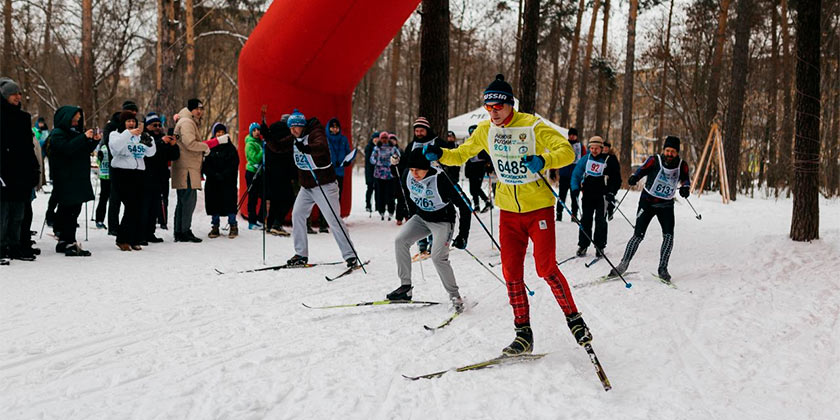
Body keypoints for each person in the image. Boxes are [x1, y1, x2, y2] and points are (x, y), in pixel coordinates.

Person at [422, 74, 591, 355]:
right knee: (511, 273)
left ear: (509, 104)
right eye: (488, 107)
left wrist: (544, 160)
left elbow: (567, 153)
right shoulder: (486, 130)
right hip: (509, 212)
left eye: (497, 106)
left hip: (538, 208)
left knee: (545, 268)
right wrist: (439, 153)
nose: (493, 112)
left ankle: (575, 320)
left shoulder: (532, 125)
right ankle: (523, 333)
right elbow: (461, 154)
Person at [387, 148, 471, 310]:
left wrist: (463, 234)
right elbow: (401, 186)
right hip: (422, 218)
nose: (415, 174)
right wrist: (394, 168)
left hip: (443, 221)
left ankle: (455, 296)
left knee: (438, 256)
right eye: (412, 169)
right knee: (400, 240)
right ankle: (405, 288)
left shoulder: (441, 180)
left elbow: (465, 206)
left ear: (428, 167)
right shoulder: (408, 175)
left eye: (418, 169)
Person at [281, 109, 359, 268]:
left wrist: (307, 149)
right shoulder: (295, 137)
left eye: (296, 127)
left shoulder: (315, 133)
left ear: (303, 126)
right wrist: (267, 136)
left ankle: (350, 255)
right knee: (298, 215)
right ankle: (301, 254)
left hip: (325, 185)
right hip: (307, 186)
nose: (293, 130)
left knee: (333, 220)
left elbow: (321, 147)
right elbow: (278, 146)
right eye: (291, 127)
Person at [609, 136, 691, 281]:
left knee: (668, 236)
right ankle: (623, 264)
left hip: (666, 205)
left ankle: (663, 268)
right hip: (647, 202)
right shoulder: (655, 160)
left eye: (672, 152)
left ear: (677, 153)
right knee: (638, 235)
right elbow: (642, 170)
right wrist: (634, 177)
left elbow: (685, 179)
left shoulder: (682, 165)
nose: (669, 154)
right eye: (667, 150)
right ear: (664, 150)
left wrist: (685, 188)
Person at [48, 105, 100, 256]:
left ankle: (64, 240)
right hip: (66, 178)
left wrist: (93, 141)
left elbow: (81, 149)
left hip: (76, 177)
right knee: (69, 211)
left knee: (72, 210)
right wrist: (84, 137)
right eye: (74, 120)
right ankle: (69, 241)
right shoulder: (58, 133)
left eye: (78, 120)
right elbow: (67, 148)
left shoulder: (75, 132)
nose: (77, 123)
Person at [0, 77, 40, 262]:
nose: (18, 97)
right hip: (4, 171)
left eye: (19, 93)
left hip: (21, 171)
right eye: (13, 94)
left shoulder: (23, 118)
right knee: (3, 213)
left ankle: (15, 245)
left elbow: (28, 147)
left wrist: (34, 168)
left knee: (19, 213)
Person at [109, 111, 156, 250]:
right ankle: (122, 238)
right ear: (123, 123)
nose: (131, 123)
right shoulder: (116, 134)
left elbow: (151, 153)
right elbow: (116, 148)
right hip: (122, 173)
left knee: (139, 206)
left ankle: (134, 238)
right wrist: (129, 133)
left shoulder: (138, 137)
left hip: (138, 173)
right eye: (128, 121)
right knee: (131, 205)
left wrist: (149, 141)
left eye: (133, 121)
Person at [402, 117, 448, 255]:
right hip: (417, 183)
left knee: (433, 211)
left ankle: (434, 242)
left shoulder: (437, 142)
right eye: (417, 130)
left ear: (427, 130)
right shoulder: (412, 145)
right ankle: (421, 243)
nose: (419, 133)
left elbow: (449, 156)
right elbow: (406, 162)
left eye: (422, 130)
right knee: (418, 211)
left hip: (435, 182)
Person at [570, 136, 621, 257]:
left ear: (602, 148)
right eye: (592, 148)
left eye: (596, 148)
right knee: (586, 219)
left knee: (600, 221)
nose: (594, 151)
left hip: (602, 196)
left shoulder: (608, 160)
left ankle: (599, 246)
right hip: (587, 194)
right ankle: (583, 245)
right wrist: (575, 188)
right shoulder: (585, 159)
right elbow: (576, 174)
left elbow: (616, 179)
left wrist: (611, 192)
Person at [172, 98, 207, 243]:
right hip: (187, 168)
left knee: (183, 201)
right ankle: (184, 231)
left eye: (201, 108)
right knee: (188, 201)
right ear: (191, 109)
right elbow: (190, 143)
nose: (199, 111)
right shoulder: (187, 122)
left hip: (185, 166)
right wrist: (205, 147)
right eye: (197, 109)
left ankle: (179, 230)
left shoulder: (185, 120)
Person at [101, 101, 139, 236]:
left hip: (132, 166)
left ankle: (128, 226)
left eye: (135, 114)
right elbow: (109, 143)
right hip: (115, 163)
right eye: (130, 113)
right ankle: (113, 226)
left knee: (130, 200)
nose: (133, 117)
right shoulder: (112, 126)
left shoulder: (135, 125)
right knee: (115, 196)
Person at [141, 112, 179, 242]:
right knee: (145, 206)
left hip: (160, 177)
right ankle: (142, 233)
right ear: (147, 126)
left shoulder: (163, 138)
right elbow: (148, 151)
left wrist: (173, 145)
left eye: (159, 125)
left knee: (155, 206)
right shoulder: (144, 136)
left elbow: (174, 156)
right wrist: (160, 142)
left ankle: (150, 233)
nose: (157, 127)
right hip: (145, 177)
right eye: (154, 125)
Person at [203, 123, 239, 238]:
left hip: (228, 181)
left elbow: (234, 163)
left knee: (230, 203)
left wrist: (225, 174)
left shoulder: (230, 148)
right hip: (213, 181)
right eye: (218, 132)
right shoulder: (209, 147)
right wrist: (214, 174)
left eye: (222, 132)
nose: (220, 134)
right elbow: (205, 164)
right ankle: (215, 226)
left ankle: (233, 225)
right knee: (214, 204)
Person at [261, 111, 294, 237]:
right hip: (284, 171)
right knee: (288, 198)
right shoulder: (289, 135)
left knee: (275, 199)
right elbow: (289, 156)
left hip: (270, 171)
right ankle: (277, 223)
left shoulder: (270, 132)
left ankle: (270, 224)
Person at [550, 127, 584, 222]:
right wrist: (553, 169)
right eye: (570, 135)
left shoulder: (580, 146)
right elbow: (556, 156)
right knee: (562, 196)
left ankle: (574, 215)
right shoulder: (564, 145)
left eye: (573, 135)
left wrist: (584, 174)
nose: (572, 137)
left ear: (576, 136)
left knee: (574, 197)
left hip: (575, 176)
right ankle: (559, 214)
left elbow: (584, 160)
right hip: (564, 174)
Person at [370, 131, 400, 221]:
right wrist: (376, 162)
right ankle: (381, 210)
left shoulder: (393, 148)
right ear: (380, 139)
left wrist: (393, 161)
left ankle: (391, 210)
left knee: (390, 194)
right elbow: (372, 159)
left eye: (386, 138)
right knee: (380, 194)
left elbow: (398, 157)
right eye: (382, 138)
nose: (384, 140)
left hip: (390, 174)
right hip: (379, 174)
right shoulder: (377, 148)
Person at [463, 124, 493, 213]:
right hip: (471, 166)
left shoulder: (483, 141)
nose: (472, 134)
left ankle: (487, 202)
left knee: (476, 187)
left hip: (480, 166)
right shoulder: (468, 142)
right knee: (472, 188)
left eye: (474, 132)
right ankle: (477, 205)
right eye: (471, 132)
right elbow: (466, 158)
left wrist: (489, 166)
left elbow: (488, 156)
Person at [244, 122, 265, 230]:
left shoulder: (260, 142)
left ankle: (260, 219)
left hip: (260, 173)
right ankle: (251, 221)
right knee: (253, 197)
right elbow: (255, 158)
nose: (257, 132)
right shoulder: (250, 144)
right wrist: (263, 151)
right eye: (254, 130)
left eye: (258, 130)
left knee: (264, 195)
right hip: (252, 172)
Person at [326, 118, 352, 199]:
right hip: (327, 171)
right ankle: (323, 212)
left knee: (338, 194)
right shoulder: (325, 139)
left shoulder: (343, 139)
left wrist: (348, 161)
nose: (335, 129)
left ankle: (336, 211)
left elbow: (348, 152)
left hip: (340, 171)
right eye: (332, 127)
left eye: (337, 127)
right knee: (326, 195)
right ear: (329, 128)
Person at [602, 140, 621, 220]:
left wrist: (614, 189)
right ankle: (603, 213)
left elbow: (616, 173)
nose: (605, 149)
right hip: (601, 182)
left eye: (607, 147)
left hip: (610, 181)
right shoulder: (599, 156)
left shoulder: (612, 158)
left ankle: (610, 211)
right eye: (604, 147)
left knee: (610, 197)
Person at [364, 131, 379, 214]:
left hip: (378, 172)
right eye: (375, 138)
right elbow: (368, 162)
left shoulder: (380, 147)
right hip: (370, 171)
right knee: (370, 189)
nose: (376, 140)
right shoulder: (369, 147)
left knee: (377, 189)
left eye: (378, 138)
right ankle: (368, 205)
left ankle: (378, 206)